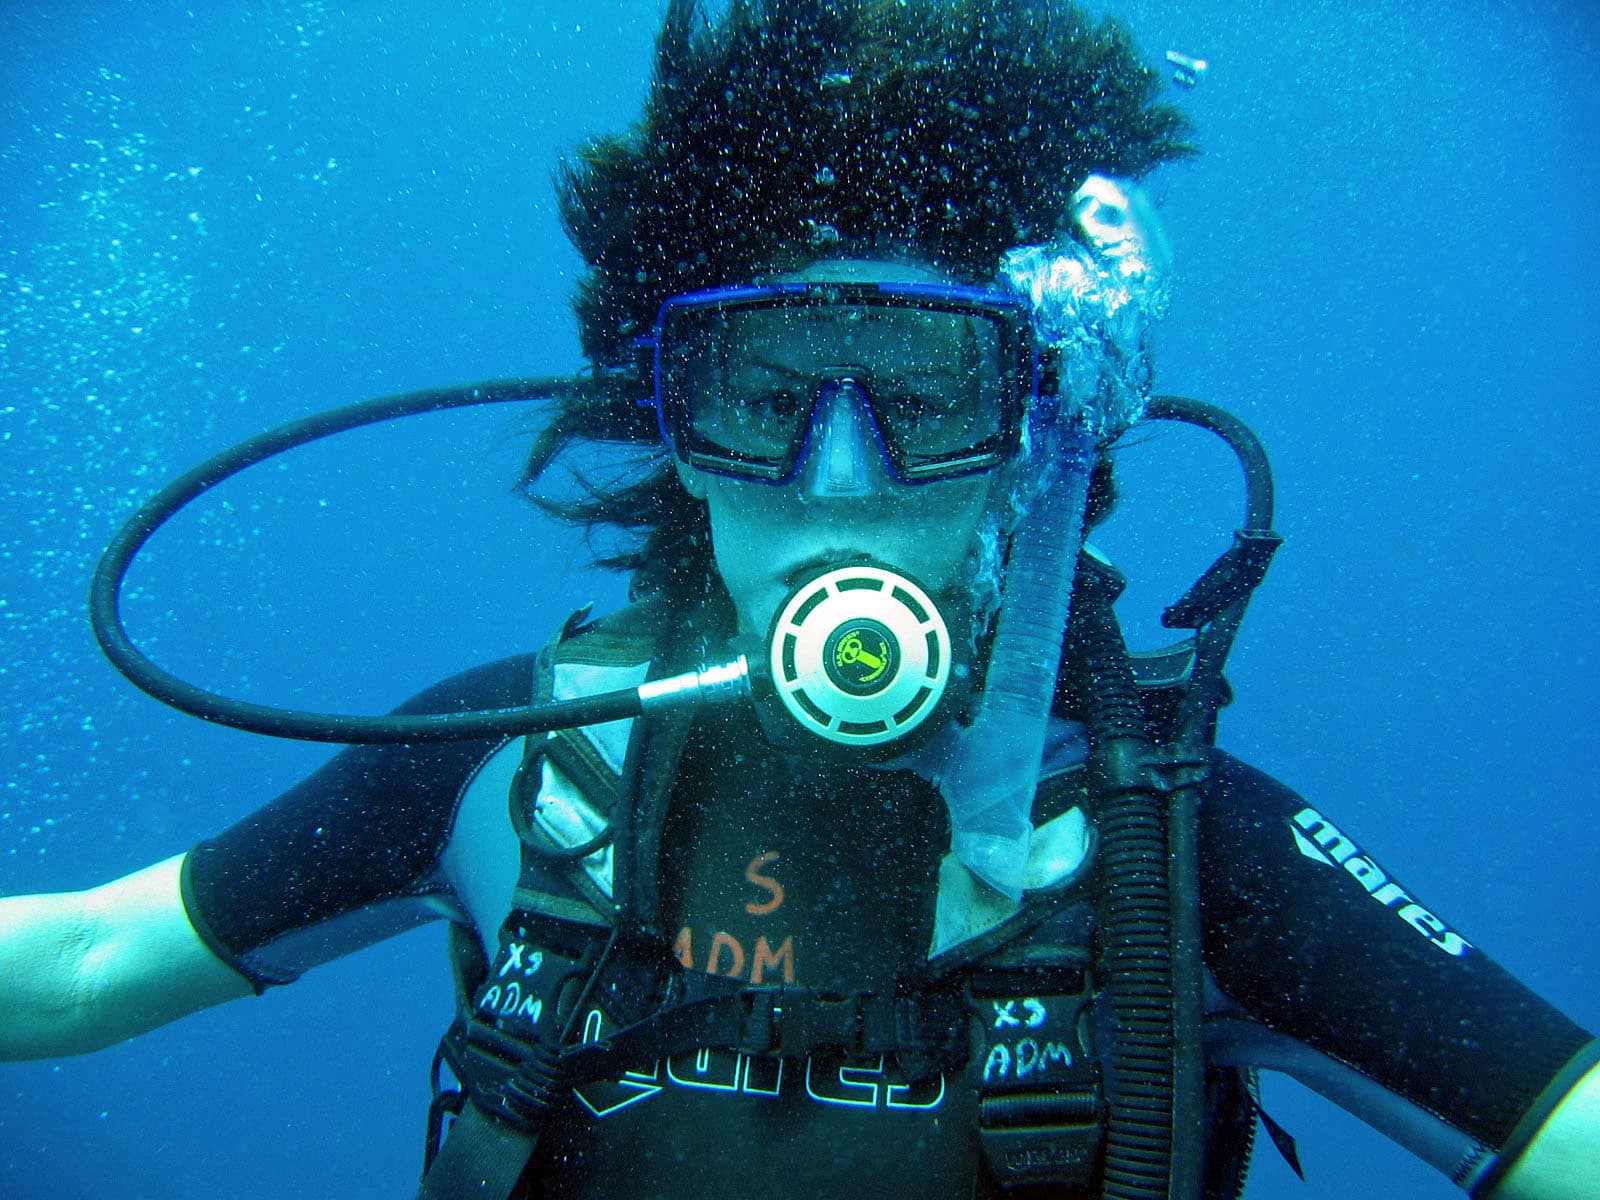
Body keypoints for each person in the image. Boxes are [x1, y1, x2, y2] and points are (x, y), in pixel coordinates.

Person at [1, 2, 1595, 1197]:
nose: (839, 478)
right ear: (674, 431)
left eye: (927, 386)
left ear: (1044, 434)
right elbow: (77, 967)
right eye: (761, 393)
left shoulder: (1176, 854)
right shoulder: (505, 767)